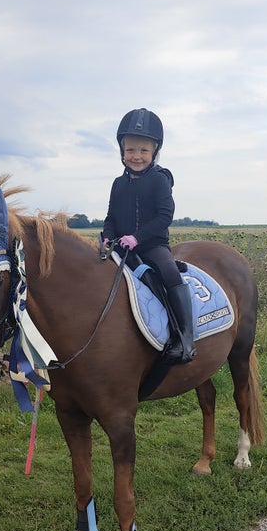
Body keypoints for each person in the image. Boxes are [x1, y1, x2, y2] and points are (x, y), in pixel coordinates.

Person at [102, 107, 195, 364]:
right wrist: (109, 237)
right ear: (122, 151)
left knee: (169, 272)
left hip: (152, 245)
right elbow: (110, 217)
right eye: (130, 150)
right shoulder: (118, 184)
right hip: (120, 248)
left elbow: (165, 216)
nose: (136, 156)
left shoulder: (159, 180)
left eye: (143, 150)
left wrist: (138, 237)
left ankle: (184, 337)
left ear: (154, 151)